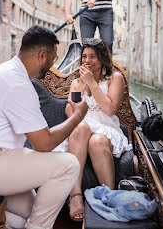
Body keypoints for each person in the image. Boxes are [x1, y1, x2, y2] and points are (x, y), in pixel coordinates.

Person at [0, 25, 89, 229]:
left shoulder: (7, 72)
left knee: (33, 211)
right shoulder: (17, 84)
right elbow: (44, 143)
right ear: (42, 55)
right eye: (53, 58)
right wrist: (77, 117)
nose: (53, 63)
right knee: (68, 165)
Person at [54, 38, 131, 222]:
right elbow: (73, 113)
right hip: (81, 130)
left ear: (102, 59)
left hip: (106, 129)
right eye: (84, 57)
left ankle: (109, 196)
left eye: (92, 57)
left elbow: (110, 109)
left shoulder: (115, 79)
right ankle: (75, 196)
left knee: (97, 141)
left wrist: (92, 83)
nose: (87, 61)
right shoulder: (75, 83)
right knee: (81, 126)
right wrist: (82, 86)